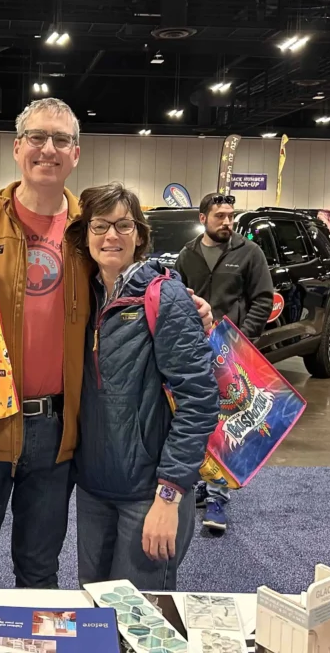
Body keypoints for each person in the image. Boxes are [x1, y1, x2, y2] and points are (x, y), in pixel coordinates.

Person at [0, 98, 212, 588]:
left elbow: (125, 283)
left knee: (39, 570)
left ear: (76, 153)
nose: (48, 149)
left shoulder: (90, 227)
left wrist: (185, 303)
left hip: (57, 431)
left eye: (61, 139)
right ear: (17, 147)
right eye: (37, 137)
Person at [69, 183, 219, 590]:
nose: (111, 236)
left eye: (123, 225)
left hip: (149, 493)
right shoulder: (82, 297)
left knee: (141, 616)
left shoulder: (164, 296)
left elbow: (199, 400)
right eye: (100, 225)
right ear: (86, 234)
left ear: (139, 235)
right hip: (95, 488)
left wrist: (169, 495)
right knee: (95, 609)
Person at [174, 192, 274, 535]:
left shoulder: (249, 253)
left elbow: (263, 299)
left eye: (231, 215)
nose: (227, 222)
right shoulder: (187, 255)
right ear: (203, 218)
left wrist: (242, 340)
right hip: (194, 352)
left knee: (224, 424)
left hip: (232, 355)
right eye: (220, 216)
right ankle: (205, 481)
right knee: (197, 419)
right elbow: (177, 298)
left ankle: (218, 497)